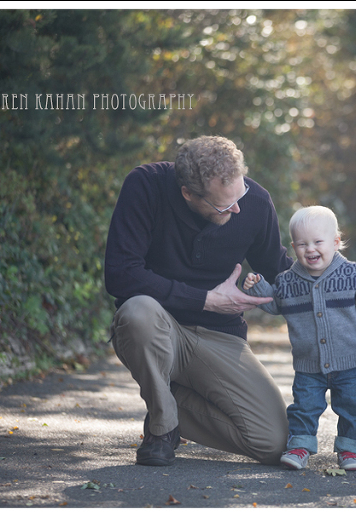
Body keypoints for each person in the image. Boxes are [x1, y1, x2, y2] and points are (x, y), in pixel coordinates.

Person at [104, 136, 294, 467]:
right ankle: (162, 429)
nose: (236, 208)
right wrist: (205, 300)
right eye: (224, 205)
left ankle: (168, 399)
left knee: (273, 441)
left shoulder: (255, 202)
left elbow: (280, 269)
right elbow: (121, 273)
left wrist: (333, 283)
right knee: (137, 311)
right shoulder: (146, 186)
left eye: (240, 195)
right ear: (188, 194)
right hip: (157, 328)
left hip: (220, 337)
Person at [242, 206, 356, 471]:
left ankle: (349, 451)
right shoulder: (288, 281)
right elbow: (274, 303)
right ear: (293, 247)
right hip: (308, 365)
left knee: (352, 409)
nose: (310, 249)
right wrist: (258, 286)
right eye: (302, 244)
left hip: (349, 364)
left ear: (335, 243)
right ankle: (300, 447)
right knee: (304, 408)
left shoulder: (353, 274)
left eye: (317, 242)